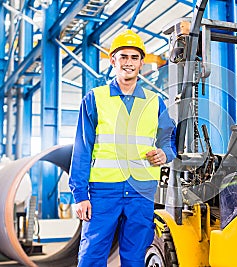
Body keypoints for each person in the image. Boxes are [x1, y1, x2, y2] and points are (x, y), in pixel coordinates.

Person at [68, 29, 176, 267]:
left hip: (141, 192)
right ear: (113, 61)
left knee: (136, 257)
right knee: (91, 256)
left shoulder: (154, 102)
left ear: (141, 63)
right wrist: (79, 195)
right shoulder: (95, 99)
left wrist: (164, 153)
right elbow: (82, 148)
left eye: (134, 57)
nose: (129, 63)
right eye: (123, 57)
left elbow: (170, 139)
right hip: (102, 192)